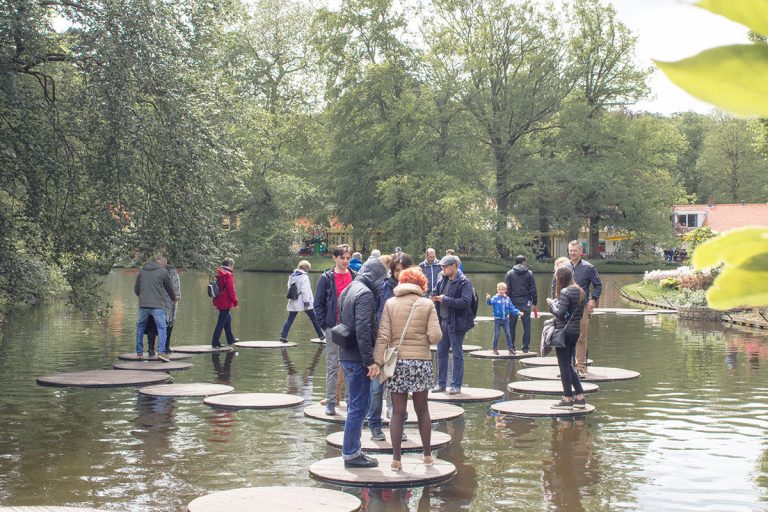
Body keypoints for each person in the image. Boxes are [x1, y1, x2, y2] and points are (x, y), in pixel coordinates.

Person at [371, 267, 442, 470]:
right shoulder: (427, 304)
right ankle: (427, 455)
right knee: (422, 411)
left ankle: (396, 460)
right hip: (421, 362)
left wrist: (377, 362)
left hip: (398, 363)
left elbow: (383, 336)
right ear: (421, 284)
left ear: (402, 282)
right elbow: (435, 336)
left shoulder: (390, 303)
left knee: (397, 413)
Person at [337, 258, 388, 468]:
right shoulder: (365, 294)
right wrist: (370, 361)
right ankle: (351, 453)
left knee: (355, 405)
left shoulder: (349, 288)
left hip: (346, 354)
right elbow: (363, 329)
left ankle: (354, 448)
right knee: (359, 406)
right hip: (358, 358)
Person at [369, 252, 413, 441]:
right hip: (384, 343)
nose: (399, 274)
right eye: (396, 270)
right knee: (377, 387)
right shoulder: (384, 287)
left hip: (405, 345)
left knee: (400, 389)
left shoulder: (416, 289)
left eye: (403, 270)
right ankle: (375, 425)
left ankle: (398, 426)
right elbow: (378, 315)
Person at [314, 244, 355, 416]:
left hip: (351, 327)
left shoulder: (355, 276)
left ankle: (349, 401)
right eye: (342, 258)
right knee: (333, 365)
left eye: (348, 258)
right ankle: (330, 402)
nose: (345, 261)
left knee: (351, 365)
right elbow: (318, 304)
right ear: (335, 258)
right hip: (333, 327)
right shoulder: (326, 278)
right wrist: (325, 325)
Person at [431, 254, 475, 395]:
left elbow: (465, 302)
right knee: (441, 353)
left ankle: (456, 385)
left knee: (457, 354)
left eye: (445, 266)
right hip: (442, 321)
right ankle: (441, 384)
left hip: (456, 323)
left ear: (454, 266)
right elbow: (435, 292)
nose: (442, 269)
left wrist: (446, 299)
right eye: (442, 267)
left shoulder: (464, 282)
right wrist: (432, 297)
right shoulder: (442, 280)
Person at [547, 266, 587, 409]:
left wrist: (552, 304)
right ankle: (580, 396)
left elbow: (560, 312)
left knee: (563, 366)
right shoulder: (580, 291)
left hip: (563, 332)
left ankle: (567, 399)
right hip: (575, 331)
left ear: (561, 278)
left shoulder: (565, 291)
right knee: (568, 365)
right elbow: (577, 313)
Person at [565, 240, 603, 378]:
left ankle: (581, 367)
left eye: (575, 250)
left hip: (582, 307)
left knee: (581, 337)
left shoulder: (589, 267)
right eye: (570, 250)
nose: (572, 253)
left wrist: (593, 299)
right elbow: (555, 285)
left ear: (581, 251)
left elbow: (598, 285)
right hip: (566, 307)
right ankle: (568, 366)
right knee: (565, 337)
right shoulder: (564, 267)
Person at [134, 254, 177, 362]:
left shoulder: (142, 271)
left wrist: (143, 297)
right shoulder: (163, 272)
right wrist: (174, 298)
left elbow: (136, 289)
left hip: (143, 304)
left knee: (140, 327)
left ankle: (139, 353)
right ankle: (161, 353)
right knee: (162, 328)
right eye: (165, 264)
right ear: (162, 263)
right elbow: (170, 288)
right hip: (157, 304)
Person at [279, 260, 325, 342]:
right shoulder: (304, 277)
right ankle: (321, 335)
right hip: (304, 302)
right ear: (306, 268)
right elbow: (305, 290)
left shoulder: (292, 276)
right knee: (314, 318)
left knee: (290, 319)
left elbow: (290, 288)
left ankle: (283, 336)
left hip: (294, 300)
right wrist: (306, 302)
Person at [145, 259, 181, 355]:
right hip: (168, 305)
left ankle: (151, 349)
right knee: (168, 325)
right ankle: (165, 347)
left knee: (152, 325)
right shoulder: (173, 273)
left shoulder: (154, 272)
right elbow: (177, 292)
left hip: (153, 302)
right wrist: (176, 298)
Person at [505, 255, 538, 353]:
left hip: (513, 302)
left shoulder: (509, 273)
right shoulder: (529, 274)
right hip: (525, 302)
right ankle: (525, 348)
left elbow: (507, 290)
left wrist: (506, 302)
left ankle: (511, 347)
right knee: (526, 326)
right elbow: (533, 289)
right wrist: (535, 302)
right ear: (523, 262)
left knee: (511, 325)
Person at [485, 282, 523, 355]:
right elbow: (489, 303)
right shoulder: (495, 298)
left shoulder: (507, 299)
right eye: (499, 289)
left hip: (505, 320)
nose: (501, 291)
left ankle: (510, 348)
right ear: (497, 290)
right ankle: (494, 348)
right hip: (497, 320)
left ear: (505, 290)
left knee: (508, 334)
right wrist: (488, 299)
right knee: (497, 334)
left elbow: (512, 308)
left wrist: (518, 312)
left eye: (502, 289)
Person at [211, 257, 239, 348]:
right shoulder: (228, 275)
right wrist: (235, 303)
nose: (233, 268)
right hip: (225, 302)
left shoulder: (217, 273)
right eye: (233, 266)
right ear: (230, 265)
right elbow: (231, 290)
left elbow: (214, 289)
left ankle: (230, 339)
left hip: (219, 300)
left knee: (228, 318)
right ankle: (215, 342)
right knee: (221, 322)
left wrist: (215, 303)